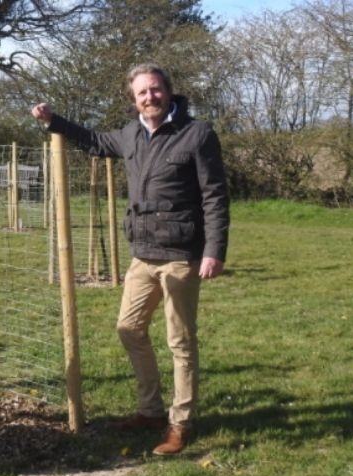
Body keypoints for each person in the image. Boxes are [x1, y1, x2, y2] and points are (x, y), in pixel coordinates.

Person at [32, 63, 229, 455]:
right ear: (133, 99)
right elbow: (92, 140)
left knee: (181, 341)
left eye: (155, 90)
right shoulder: (130, 134)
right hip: (143, 255)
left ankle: (180, 423)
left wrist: (214, 251)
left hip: (181, 255)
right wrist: (54, 121)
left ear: (169, 91)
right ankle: (151, 410)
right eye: (142, 93)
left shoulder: (196, 134)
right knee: (129, 328)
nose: (149, 97)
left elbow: (215, 196)